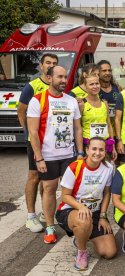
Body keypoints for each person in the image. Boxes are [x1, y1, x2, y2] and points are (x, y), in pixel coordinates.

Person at [27, 66, 83, 244]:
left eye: (65, 77)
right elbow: (33, 132)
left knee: (71, 191)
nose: (63, 80)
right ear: (49, 77)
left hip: (69, 154)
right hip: (48, 156)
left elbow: (77, 128)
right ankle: (50, 227)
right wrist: (39, 157)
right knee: (49, 189)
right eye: (59, 77)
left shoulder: (71, 100)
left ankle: (72, 223)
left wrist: (80, 153)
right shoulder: (37, 100)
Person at [55, 137, 117, 271]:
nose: (97, 153)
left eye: (101, 149)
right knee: (84, 220)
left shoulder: (108, 168)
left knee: (109, 252)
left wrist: (103, 216)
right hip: (70, 210)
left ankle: (82, 236)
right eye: (94, 149)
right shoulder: (75, 167)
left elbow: (107, 193)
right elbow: (65, 196)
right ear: (87, 150)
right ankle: (82, 251)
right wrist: (80, 206)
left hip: (94, 212)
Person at [17, 53, 58, 233]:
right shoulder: (31, 87)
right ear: (41, 66)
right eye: (48, 62)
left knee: (48, 180)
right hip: (35, 141)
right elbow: (21, 111)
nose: (51, 65)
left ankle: (44, 213)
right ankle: (31, 216)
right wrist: (28, 132)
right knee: (34, 177)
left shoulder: (58, 85)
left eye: (54, 63)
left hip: (52, 142)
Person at [78, 75, 116, 160]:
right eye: (91, 84)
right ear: (85, 87)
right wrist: (80, 151)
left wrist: (113, 146)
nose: (95, 86)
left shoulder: (104, 103)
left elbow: (109, 125)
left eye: (97, 83)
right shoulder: (82, 104)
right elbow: (78, 128)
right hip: (89, 146)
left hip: (105, 145)